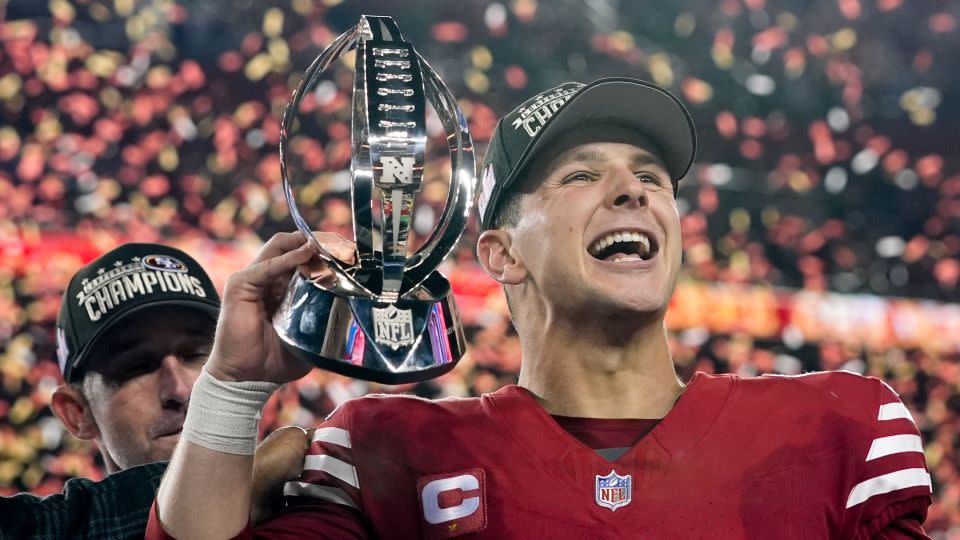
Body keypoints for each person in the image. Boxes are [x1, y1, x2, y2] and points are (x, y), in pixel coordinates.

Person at [149, 79, 932, 539]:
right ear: (501, 254)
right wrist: (233, 386)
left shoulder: (842, 426)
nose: (633, 191)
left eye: (652, 178)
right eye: (581, 175)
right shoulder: (387, 447)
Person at [0, 243, 313, 539]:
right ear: (76, 412)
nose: (179, 389)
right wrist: (239, 482)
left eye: (199, 354)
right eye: (137, 366)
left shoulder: (323, 509)